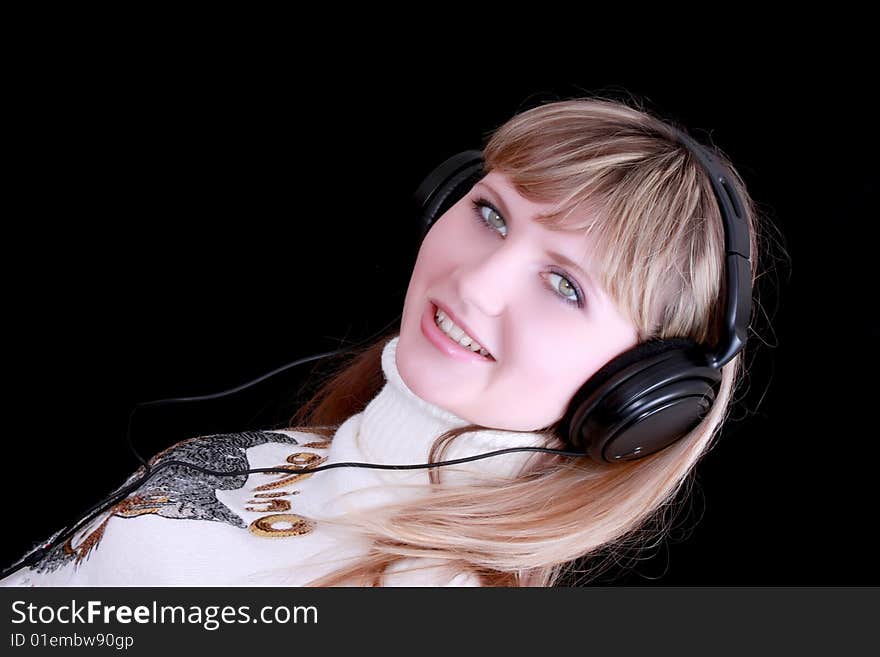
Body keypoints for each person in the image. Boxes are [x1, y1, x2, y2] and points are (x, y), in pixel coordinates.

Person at [0, 95, 766, 587]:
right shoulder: (290, 455)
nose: (476, 281)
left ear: (642, 390)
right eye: (492, 214)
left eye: (565, 285)